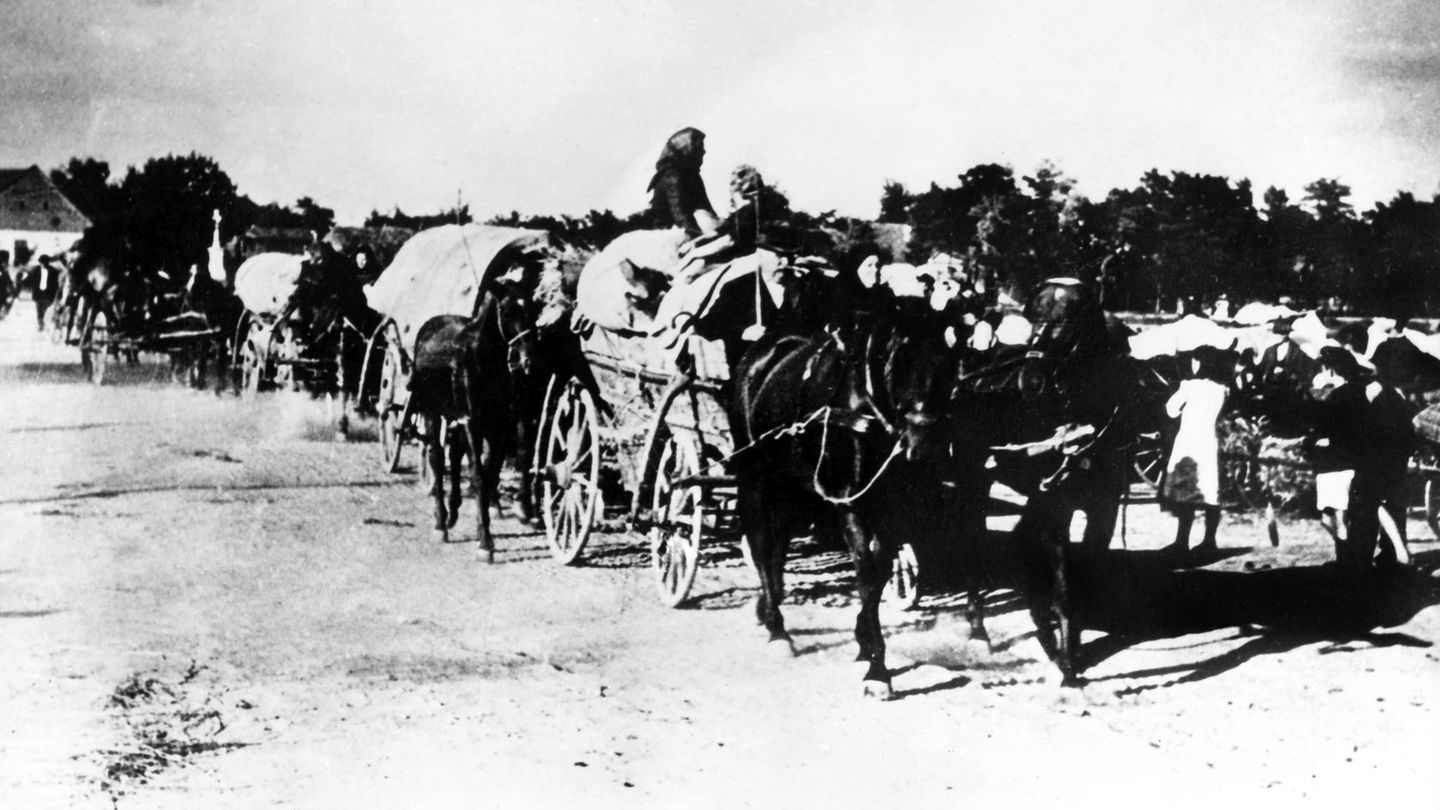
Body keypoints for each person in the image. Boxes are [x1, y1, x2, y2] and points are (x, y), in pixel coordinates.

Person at [1312, 345, 1416, 570]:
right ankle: (1388, 554)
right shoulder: (1370, 390)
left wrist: (1323, 442)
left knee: (1357, 510)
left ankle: (1361, 558)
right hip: (1379, 457)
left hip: (1352, 461)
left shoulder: (1340, 395)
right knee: (1373, 507)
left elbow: (1333, 431)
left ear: (1330, 370)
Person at [1161, 344, 1231, 554]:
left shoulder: (1189, 386)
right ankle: (1209, 540)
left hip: (1189, 442)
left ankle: (1181, 541)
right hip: (1210, 442)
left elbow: (1171, 410)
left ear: (1198, 362)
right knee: (1211, 492)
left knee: (1186, 492)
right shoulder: (1222, 389)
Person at [1306, 346, 1362, 560]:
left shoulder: (1336, 397)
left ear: (1329, 370)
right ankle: (1347, 557)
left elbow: (1331, 430)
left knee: (1336, 518)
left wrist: (1319, 440)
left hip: (1335, 464)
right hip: (1340, 463)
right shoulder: (1354, 393)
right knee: (1331, 518)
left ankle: (1347, 561)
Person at [647, 127, 719, 240]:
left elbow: (705, 207)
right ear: (688, 148)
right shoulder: (672, 176)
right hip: (667, 234)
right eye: (699, 147)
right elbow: (679, 212)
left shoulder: (692, 175)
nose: (703, 151)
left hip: (684, 230)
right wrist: (698, 237)